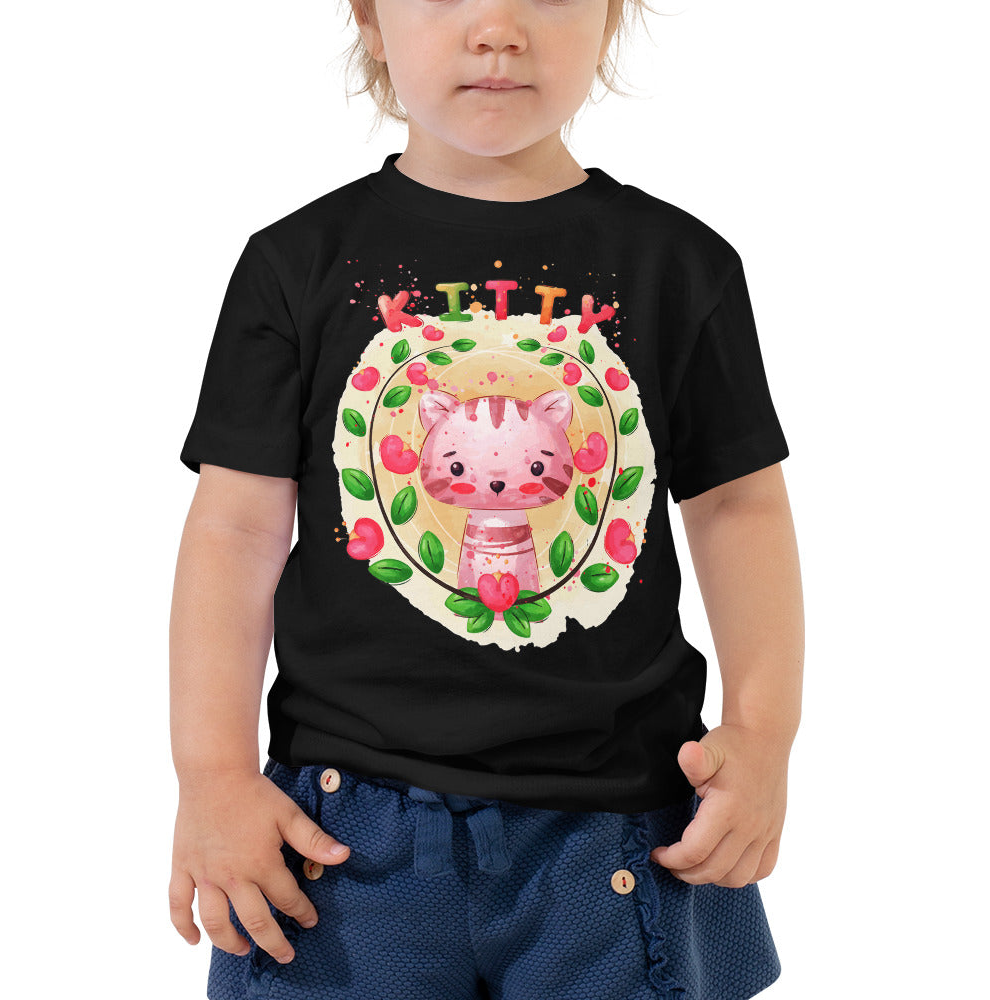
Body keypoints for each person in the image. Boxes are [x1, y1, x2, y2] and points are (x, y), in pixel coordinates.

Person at [168, 1, 804, 998]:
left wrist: (763, 735)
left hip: (618, 826)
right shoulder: (294, 265)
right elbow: (235, 530)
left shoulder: (682, 267)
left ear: (611, 14)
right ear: (369, 16)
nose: (498, 27)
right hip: (343, 840)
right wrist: (211, 776)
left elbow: (739, 510)